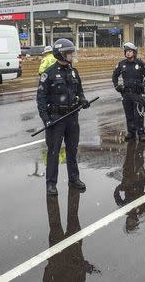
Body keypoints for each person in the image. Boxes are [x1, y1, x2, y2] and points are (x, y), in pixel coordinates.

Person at [37, 38, 89, 196]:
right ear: (60, 54)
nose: (72, 55)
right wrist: (46, 119)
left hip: (72, 117)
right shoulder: (49, 74)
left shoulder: (74, 71)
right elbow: (41, 99)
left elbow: (79, 91)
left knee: (72, 150)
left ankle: (74, 179)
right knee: (54, 152)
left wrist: (83, 100)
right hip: (55, 119)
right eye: (69, 53)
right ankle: (51, 184)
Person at [112, 42, 145, 142]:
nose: (128, 53)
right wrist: (117, 86)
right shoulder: (122, 64)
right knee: (129, 115)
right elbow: (114, 75)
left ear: (134, 52)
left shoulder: (140, 63)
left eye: (130, 51)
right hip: (126, 94)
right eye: (126, 52)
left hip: (137, 93)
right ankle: (131, 132)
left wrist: (143, 85)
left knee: (139, 114)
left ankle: (141, 133)